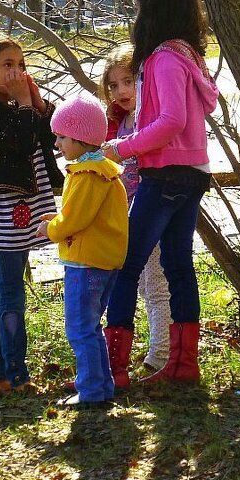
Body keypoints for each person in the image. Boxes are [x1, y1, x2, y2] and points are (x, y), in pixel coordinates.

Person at [100, 0, 218, 387]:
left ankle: (114, 369)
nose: (136, 16)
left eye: (139, 7)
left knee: (126, 264)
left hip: (165, 175)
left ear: (153, 10)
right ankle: (183, 365)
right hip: (193, 173)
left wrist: (124, 147)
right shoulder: (188, 55)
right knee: (178, 265)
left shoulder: (165, 59)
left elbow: (171, 121)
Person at [0, 30, 63, 395]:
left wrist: (38, 105)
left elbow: (53, 138)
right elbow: (21, 146)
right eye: (7, 64)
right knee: (11, 294)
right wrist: (24, 106)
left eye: (21, 64)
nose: (17, 72)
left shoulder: (17, 107)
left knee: (4, 291)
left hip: (24, 211)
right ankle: (17, 375)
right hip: (4, 216)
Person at [36, 94, 129, 408]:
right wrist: (59, 218)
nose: (57, 144)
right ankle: (101, 386)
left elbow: (75, 219)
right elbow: (86, 215)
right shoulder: (103, 172)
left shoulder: (87, 175)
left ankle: (90, 391)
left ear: (80, 138)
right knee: (91, 327)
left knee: (79, 328)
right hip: (103, 259)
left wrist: (51, 229)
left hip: (85, 262)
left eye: (62, 137)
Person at [99, 44, 172, 375]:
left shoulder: (149, 116)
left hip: (152, 206)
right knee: (141, 283)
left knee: (155, 282)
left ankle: (161, 356)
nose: (121, 91)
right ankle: (158, 348)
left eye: (128, 81)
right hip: (127, 210)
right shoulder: (117, 121)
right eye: (113, 85)